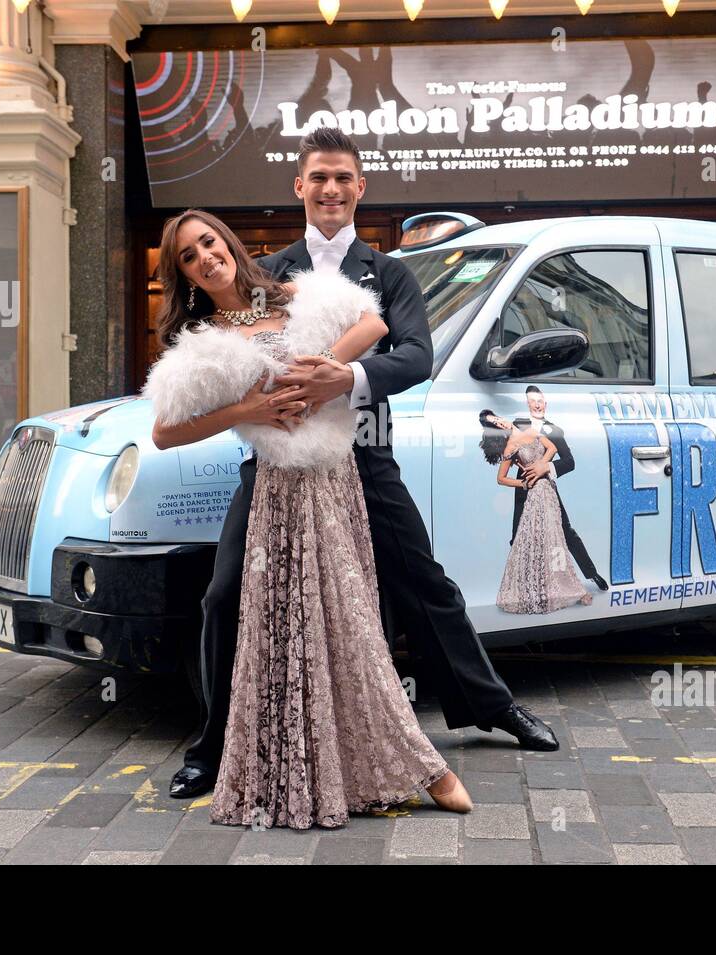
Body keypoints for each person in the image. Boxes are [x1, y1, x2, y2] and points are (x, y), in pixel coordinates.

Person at [168, 126, 559, 801]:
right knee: (224, 594)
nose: (330, 189)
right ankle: (210, 747)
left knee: (424, 584)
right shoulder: (269, 272)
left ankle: (492, 706)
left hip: (365, 456)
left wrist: (341, 378)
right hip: (277, 468)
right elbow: (232, 349)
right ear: (299, 186)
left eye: (342, 177)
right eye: (318, 176)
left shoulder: (392, 270)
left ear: (359, 188)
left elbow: (414, 355)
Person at [143, 209, 472, 828]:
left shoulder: (293, 292)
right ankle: (282, 758)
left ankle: (418, 764)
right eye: (189, 256)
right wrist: (253, 408)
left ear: (229, 243)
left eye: (209, 242)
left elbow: (372, 323)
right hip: (276, 485)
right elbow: (164, 433)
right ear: (184, 276)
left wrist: (321, 371)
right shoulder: (206, 337)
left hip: (335, 475)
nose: (205, 257)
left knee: (348, 613)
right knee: (272, 618)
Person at [482, 413, 594, 614]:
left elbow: (552, 448)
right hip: (533, 494)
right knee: (534, 538)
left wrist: (541, 466)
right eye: (495, 424)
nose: (500, 423)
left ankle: (566, 587)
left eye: (497, 418)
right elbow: (501, 478)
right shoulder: (509, 448)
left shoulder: (531, 431)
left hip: (548, 489)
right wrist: (523, 483)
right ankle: (537, 587)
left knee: (556, 536)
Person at [510, 386, 608, 593]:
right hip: (524, 488)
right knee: (518, 533)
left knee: (565, 530)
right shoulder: (517, 425)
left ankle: (591, 574)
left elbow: (569, 461)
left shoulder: (554, 430)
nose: (537, 404)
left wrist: (547, 466)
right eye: (532, 401)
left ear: (545, 404)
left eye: (540, 400)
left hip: (546, 487)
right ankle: (522, 584)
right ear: (527, 404)